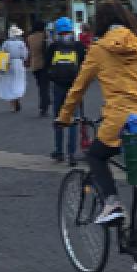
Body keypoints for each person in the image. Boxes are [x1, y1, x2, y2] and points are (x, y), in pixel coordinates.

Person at [56, 0, 137, 224]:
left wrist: (64, 116)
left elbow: (78, 88)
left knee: (96, 155)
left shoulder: (98, 49)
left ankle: (112, 202)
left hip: (121, 120)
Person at [44, 17, 85, 166]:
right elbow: (84, 66)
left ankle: (58, 151)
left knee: (59, 118)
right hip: (74, 87)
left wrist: (51, 78)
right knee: (73, 120)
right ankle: (72, 154)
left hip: (58, 86)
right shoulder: (78, 46)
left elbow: (46, 65)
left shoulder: (53, 46)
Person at [0, 25, 29, 112]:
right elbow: (25, 55)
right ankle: (17, 99)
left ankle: (12, 105)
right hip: (19, 63)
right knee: (18, 82)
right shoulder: (21, 43)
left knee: (9, 83)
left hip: (8, 63)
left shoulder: (6, 43)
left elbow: (1, 54)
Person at [26, 24, 50, 117]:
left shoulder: (29, 38)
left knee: (40, 86)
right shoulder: (44, 36)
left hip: (34, 65)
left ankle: (45, 102)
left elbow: (29, 51)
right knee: (45, 86)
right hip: (44, 64)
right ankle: (44, 106)